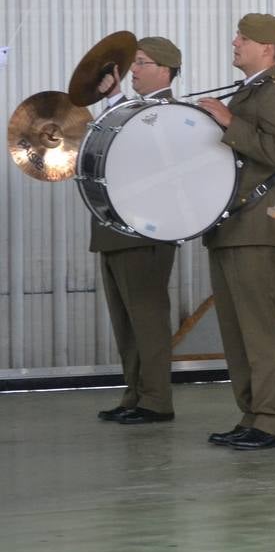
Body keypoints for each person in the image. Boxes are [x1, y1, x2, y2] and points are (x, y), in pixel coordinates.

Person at [198, 13, 275, 451]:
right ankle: (252, 414)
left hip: (257, 222)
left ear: (268, 49)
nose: (235, 41)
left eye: (245, 38)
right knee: (237, 331)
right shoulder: (249, 90)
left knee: (260, 328)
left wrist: (228, 122)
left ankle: (274, 421)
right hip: (231, 221)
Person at [90, 37, 182, 425]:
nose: (135, 71)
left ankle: (156, 399)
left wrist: (114, 99)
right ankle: (135, 393)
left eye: (142, 63)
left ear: (164, 69)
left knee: (146, 317)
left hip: (146, 231)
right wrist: (114, 97)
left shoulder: (169, 111)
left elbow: (137, 142)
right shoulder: (137, 108)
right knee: (125, 320)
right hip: (117, 227)